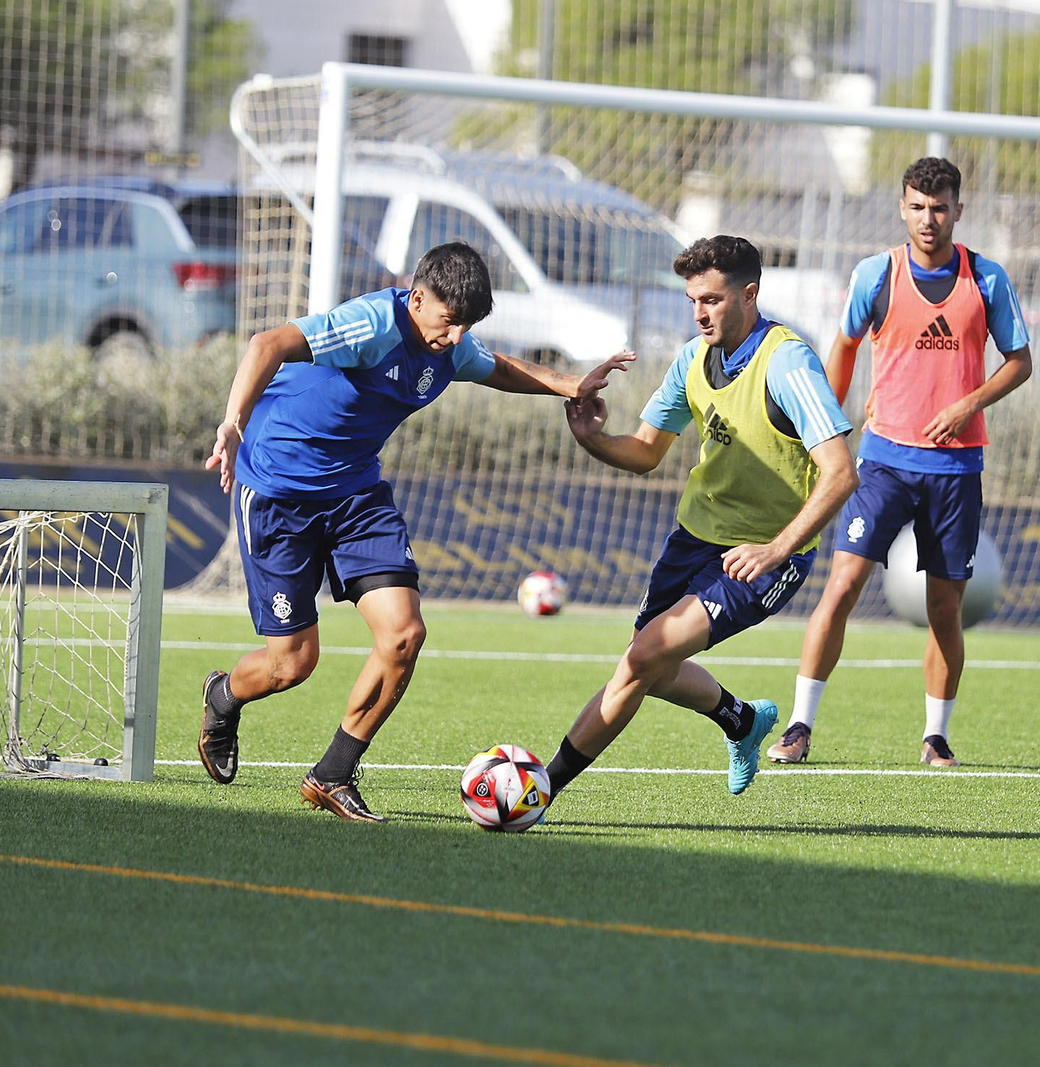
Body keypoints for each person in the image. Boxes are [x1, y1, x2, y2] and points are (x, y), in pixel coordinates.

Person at [197, 241, 630, 821]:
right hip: (279, 491)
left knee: (404, 635)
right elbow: (266, 344)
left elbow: (497, 367)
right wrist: (232, 423)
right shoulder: (372, 325)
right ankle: (224, 695)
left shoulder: (450, 344)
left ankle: (333, 774)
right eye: (449, 321)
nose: (457, 337)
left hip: (356, 494)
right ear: (417, 298)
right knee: (291, 665)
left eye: (467, 326)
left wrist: (571, 385)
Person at [543, 234, 858, 803]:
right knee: (651, 666)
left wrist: (777, 549)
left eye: (711, 299)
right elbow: (646, 451)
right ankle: (741, 720)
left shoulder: (787, 361)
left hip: (761, 556)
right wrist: (592, 438)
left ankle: (540, 790)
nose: (699, 313)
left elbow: (840, 473)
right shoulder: (693, 357)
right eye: (693, 300)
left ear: (749, 295)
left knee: (642, 659)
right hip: (694, 538)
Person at [768, 157, 1032, 769]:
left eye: (939, 207)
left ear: (958, 210)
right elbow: (843, 347)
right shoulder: (875, 274)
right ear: (902, 209)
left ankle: (936, 736)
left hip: (956, 471)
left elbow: (1020, 362)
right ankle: (800, 726)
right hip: (882, 463)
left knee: (944, 608)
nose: (928, 218)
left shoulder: (986, 278)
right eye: (917, 206)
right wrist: (825, 429)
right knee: (841, 587)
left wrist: (968, 404)